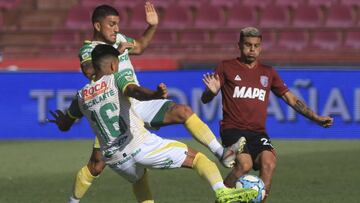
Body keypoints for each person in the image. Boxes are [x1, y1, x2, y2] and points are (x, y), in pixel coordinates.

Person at [68, 3, 245, 203]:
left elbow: (141, 46)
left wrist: (151, 26)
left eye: (118, 24)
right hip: (118, 109)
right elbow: (91, 72)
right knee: (97, 164)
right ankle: (73, 200)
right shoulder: (88, 49)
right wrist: (116, 52)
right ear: (98, 26)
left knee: (183, 111)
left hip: (137, 101)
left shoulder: (121, 39)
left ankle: (222, 152)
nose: (116, 29)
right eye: (111, 24)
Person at [49, 44, 257, 203]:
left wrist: (61, 122)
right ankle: (222, 192)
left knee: (139, 180)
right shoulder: (116, 78)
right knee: (199, 159)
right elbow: (134, 91)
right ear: (113, 65)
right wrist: (155, 94)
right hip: (140, 146)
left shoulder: (81, 96)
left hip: (116, 161)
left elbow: (66, 123)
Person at [201, 27, 334, 203]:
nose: (252, 49)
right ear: (239, 45)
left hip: (258, 132)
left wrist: (315, 118)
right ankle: (221, 200)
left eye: (256, 45)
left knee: (269, 162)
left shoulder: (268, 72)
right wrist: (210, 92)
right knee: (245, 165)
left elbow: (291, 99)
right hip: (232, 130)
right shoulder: (226, 67)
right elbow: (205, 99)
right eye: (248, 44)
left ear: (261, 47)